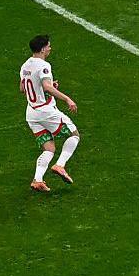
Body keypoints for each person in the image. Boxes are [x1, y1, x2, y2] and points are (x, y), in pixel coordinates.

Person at [19, 35, 81, 192]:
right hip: (45, 111)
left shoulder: (25, 65)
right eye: (48, 46)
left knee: (49, 148)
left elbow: (23, 88)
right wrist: (67, 99)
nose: (50, 48)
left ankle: (37, 180)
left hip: (31, 113)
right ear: (42, 49)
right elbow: (46, 87)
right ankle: (60, 165)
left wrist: (46, 85)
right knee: (73, 134)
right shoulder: (44, 66)